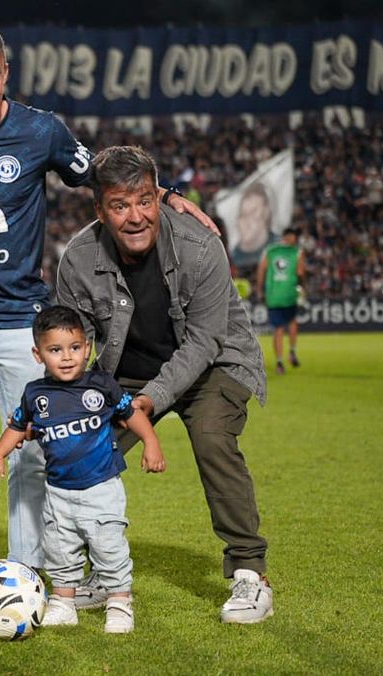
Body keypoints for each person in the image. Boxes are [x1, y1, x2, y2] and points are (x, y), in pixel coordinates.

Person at [0, 21, 218, 592]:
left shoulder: (41, 130)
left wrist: (163, 194)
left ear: (6, 73)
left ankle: (30, 566)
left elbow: (103, 174)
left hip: (22, 321)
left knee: (36, 450)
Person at [55, 145, 273, 624]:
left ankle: (249, 573)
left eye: (144, 201)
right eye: (119, 205)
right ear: (100, 210)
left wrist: (150, 400)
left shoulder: (201, 246)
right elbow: (75, 342)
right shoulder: (78, 257)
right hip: (126, 373)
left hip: (213, 364)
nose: (135, 217)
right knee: (84, 447)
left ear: (159, 197)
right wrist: (68, 408)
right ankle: (98, 571)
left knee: (212, 437)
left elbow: (204, 341)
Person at [0, 306, 165, 634]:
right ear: (38, 355)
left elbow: (131, 415)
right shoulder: (35, 394)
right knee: (59, 548)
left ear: (87, 348)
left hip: (101, 487)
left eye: (75, 347)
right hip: (58, 491)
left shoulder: (101, 385)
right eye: (55, 350)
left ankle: (119, 603)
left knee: (109, 547)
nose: (67, 357)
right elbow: (17, 426)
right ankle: (64, 604)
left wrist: (150, 442)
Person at [256, 226, 306, 375]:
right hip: (289, 294)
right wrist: (302, 287)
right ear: (293, 238)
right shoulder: (297, 252)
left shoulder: (270, 251)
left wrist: (260, 290)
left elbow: (261, 270)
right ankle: (292, 351)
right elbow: (300, 272)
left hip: (273, 295)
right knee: (292, 322)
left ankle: (279, 361)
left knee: (278, 328)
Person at [232, 182, 273, 266]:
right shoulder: (233, 255)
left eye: (252, 213)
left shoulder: (278, 247)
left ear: (266, 213)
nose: (246, 222)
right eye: (243, 214)